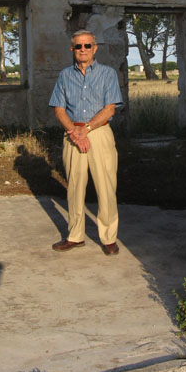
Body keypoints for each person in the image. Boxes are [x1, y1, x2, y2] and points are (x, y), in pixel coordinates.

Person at [49, 29, 123, 255]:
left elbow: (110, 108)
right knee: (74, 187)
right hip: (73, 134)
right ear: (72, 49)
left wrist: (87, 129)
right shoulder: (64, 75)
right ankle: (75, 235)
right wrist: (74, 131)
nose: (83, 50)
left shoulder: (108, 73)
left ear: (95, 48)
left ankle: (109, 238)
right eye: (78, 46)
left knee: (106, 186)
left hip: (99, 133)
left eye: (87, 46)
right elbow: (59, 109)